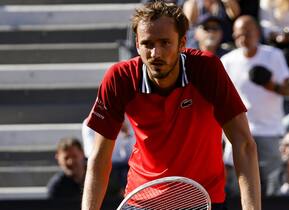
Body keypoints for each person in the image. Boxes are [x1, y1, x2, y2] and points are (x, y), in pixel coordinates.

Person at [81, 2, 261, 210]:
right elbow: (100, 158)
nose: (156, 53)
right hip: (141, 201)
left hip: (203, 200)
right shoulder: (119, 78)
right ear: (137, 44)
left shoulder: (207, 69)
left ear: (182, 43)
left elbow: (244, 144)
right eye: (148, 44)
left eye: (165, 43)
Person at [221, 15, 289, 187]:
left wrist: (271, 86)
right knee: (238, 185)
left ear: (257, 33)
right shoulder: (227, 61)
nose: (243, 38)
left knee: (272, 184)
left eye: (247, 33)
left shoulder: (273, 55)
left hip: (269, 130)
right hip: (238, 131)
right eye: (238, 35)